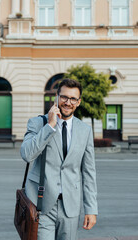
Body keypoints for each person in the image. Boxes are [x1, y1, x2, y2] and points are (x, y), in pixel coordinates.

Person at [20, 78, 98, 240]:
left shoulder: (85, 131)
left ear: (78, 102)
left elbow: (89, 172)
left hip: (70, 206)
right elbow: (27, 154)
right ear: (56, 97)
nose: (68, 102)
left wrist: (91, 208)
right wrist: (50, 126)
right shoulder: (37, 123)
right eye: (64, 97)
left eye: (73, 99)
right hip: (40, 204)